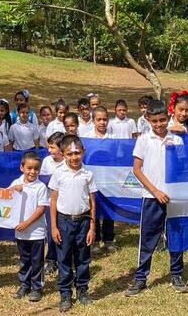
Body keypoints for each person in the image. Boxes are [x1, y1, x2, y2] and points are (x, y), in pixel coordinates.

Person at [125, 99, 187, 297]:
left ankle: (176, 274)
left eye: (162, 120)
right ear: (147, 120)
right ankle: (141, 277)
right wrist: (155, 191)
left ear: (167, 118)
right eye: (154, 121)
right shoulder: (143, 140)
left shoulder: (175, 140)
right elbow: (136, 169)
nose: (159, 125)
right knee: (148, 237)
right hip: (151, 197)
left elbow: (183, 166)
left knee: (176, 236)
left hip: (174, 197)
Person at [49, 135, 97, 312]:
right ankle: (65, 293)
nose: (74, 157)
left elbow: (92, 202)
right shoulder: (58, 173)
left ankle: (82, 290)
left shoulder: (88, 174)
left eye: (77, 153)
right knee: (64, 259)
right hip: (64, 221)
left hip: (83, 221)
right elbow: (53, 201)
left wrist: (92, 227)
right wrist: (54, 227)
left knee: (83, 258)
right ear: (63, 154)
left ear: (83, 152)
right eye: (70, 154)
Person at [10, 151, 49, 302]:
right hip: (20, 232)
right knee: (24, 259)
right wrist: (14, 190)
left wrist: (27, 223)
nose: (32, 172)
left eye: (36, 169)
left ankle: (37, 287)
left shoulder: (40, 187)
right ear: (22, 168)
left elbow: (41, 208)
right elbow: (4, 197)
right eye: (29, 168)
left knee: (37, 261)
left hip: (36, 232)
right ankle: (24, 285)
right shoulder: (16, 183)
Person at [82, 107, 116, 254]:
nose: (102, 122)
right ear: (93, 120)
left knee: (109, 209)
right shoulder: (86, 138)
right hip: (93, 179)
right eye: (99, 119)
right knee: (93, 209)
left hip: (108, 178)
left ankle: (108, 239)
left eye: (105, 119)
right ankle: (94, 240)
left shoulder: (113, 138)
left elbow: (117, 158)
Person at [41, 131, 66, 276]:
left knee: (64, 231)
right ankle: (51, 259)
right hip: (50, 202)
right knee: (52, 231)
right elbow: (43, 179)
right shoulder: (46, 161)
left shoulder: (68, 162)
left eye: (52, 147)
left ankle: (64, 259)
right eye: (48, 147)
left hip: (65, 203)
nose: (49, 151)